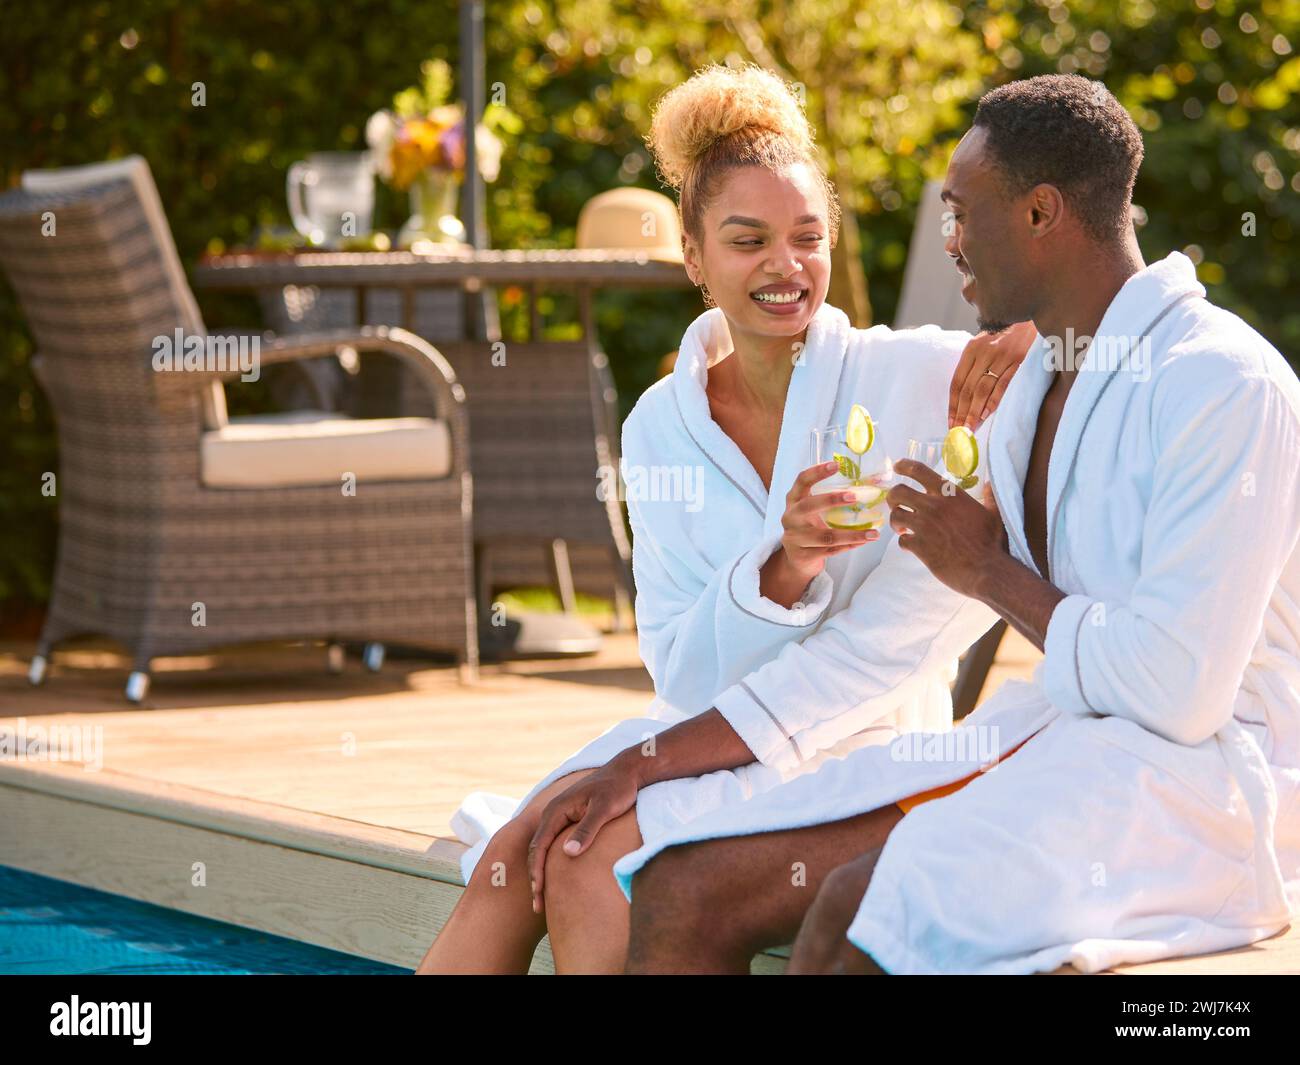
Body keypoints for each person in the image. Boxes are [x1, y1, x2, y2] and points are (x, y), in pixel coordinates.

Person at [612, 73, 1300, 976]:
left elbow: (1180, 692)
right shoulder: (1033, 386)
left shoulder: (1223, 385)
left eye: (961, 213)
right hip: (1063, 740)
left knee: (870, 917)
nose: (950, 242)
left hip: (1210, 787)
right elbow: (893, 628)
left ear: (1041, 214)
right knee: (682, 886)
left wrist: (990, 574)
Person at [416, 63, 1034, 975]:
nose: (786, 267)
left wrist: (1036, 335)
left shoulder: (909, 374)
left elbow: (1108, 338)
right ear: (696, 261)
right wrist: (783, 565)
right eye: (748, 241)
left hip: (856, 732)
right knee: (517, 858)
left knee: (588, 860)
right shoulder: (663, 426)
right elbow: (679, 663)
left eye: (806, 237)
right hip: (709, 722)